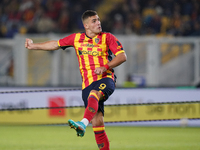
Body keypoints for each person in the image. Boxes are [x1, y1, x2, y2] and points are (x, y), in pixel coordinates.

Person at [25, 10, 127, 150]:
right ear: (86, 25)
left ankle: (83, 123)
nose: (98, 23)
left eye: (98, 20)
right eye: (94, 21)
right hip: (87, 84)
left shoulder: (108, 37)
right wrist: (33, 46)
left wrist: (105, 67)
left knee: (94, 94)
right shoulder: (76, 38)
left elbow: (122, 56)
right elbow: (56, 44)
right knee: (97, 123)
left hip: (106, 78)